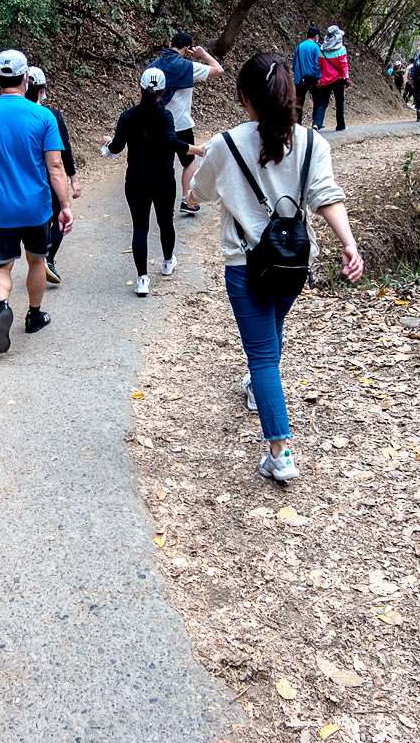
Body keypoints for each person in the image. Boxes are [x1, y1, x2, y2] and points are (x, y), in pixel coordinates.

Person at [185, 52, 363, 481]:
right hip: (293, 264)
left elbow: (199, 193)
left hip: (244, 264)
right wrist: (349, 244)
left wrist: (202, 170)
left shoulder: (227, 144)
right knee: (272, 333)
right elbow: (325, 195)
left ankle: (280, 453)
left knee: (263, 354)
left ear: (245, 96)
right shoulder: (313, 143)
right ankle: (257, 389)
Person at [0, 49, 74, 354]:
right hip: (36, 206)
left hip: (0, 207)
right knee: (36, 261)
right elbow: (55, 166)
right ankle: (34, 315)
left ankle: (3, 307)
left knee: (2, 265)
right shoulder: (43, 116)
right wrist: (65, 206)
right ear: (26, 79)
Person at [102, 67, 206, 296]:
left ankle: (142, 280)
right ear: (163, 93)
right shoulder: (165, 116)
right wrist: (196, 150)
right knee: (165, 222)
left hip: (136, 181)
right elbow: (170, 142)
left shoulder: (128, 116)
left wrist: (107, 144)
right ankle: (168, 262)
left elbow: (117, 147)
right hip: (162, 180)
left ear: (139, 88)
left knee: (140, 226)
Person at [148, 32, 224, 214]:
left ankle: (155, 200)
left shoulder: (152, 67)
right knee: (188, 162)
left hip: (156, 123)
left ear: (169, 43)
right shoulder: (188, 66)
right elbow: (218, 70)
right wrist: (204, 54)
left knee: (159, 163)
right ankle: (187, 201)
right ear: (188, 49)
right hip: (181, 124)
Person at [24, 66, 81, 285]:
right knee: (61, 217)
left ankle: (39, 262)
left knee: (38, 221)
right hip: (50, 176)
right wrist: (73, 178)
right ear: (41, 89)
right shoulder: (51, 116)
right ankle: (47, 259)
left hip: (27, 178)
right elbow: (63, 150)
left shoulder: (18, 115)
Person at [312, 24, 350, 131]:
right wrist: (346, 77)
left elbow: (320, 65)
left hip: (325, 80)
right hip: (338, 80)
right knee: (339, 102)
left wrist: (324, 75)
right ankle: (341, 125)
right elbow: (344, 65)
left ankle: (317, 123)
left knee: (323, 103)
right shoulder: (341, 49)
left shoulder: (322, 50)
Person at [292, 26, 322, 124]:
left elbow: (294, 64)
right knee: (317, 100)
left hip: (299, 79)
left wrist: (297, 75)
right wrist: (319, 77)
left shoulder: (299, 46)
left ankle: (298, 124)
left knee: (299, 102)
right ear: (316, 36)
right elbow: (317, 63)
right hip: (312, 79)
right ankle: (316, 123)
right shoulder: (316, 47)